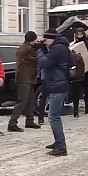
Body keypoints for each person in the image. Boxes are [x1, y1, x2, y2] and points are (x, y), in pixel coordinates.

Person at [37, 28, 70, 156]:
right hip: (59, 83)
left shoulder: (58, 49)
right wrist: (44, 49)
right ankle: (58, 142)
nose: (44, 42)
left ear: (52, 38)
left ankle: (61, 146)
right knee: (54, 116)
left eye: (46, 40)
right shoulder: (60, 47)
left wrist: (39, 51)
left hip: (58, 85)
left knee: (53, 117)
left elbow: (44, 62)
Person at [8, 31, 41, 131]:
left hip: (28, 78)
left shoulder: (25, 47)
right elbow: (36, 59)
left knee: (30, 101)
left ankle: (29, 120)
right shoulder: (27, 49)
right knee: (22, 101)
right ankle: (12, 123)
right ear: (33, 39)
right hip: (24, 78)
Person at [70, 50, 86, 118]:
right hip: (77, 78)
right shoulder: (78, 56)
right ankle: (75, 111)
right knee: (76, 96)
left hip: (69, 78)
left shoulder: (65, 55)